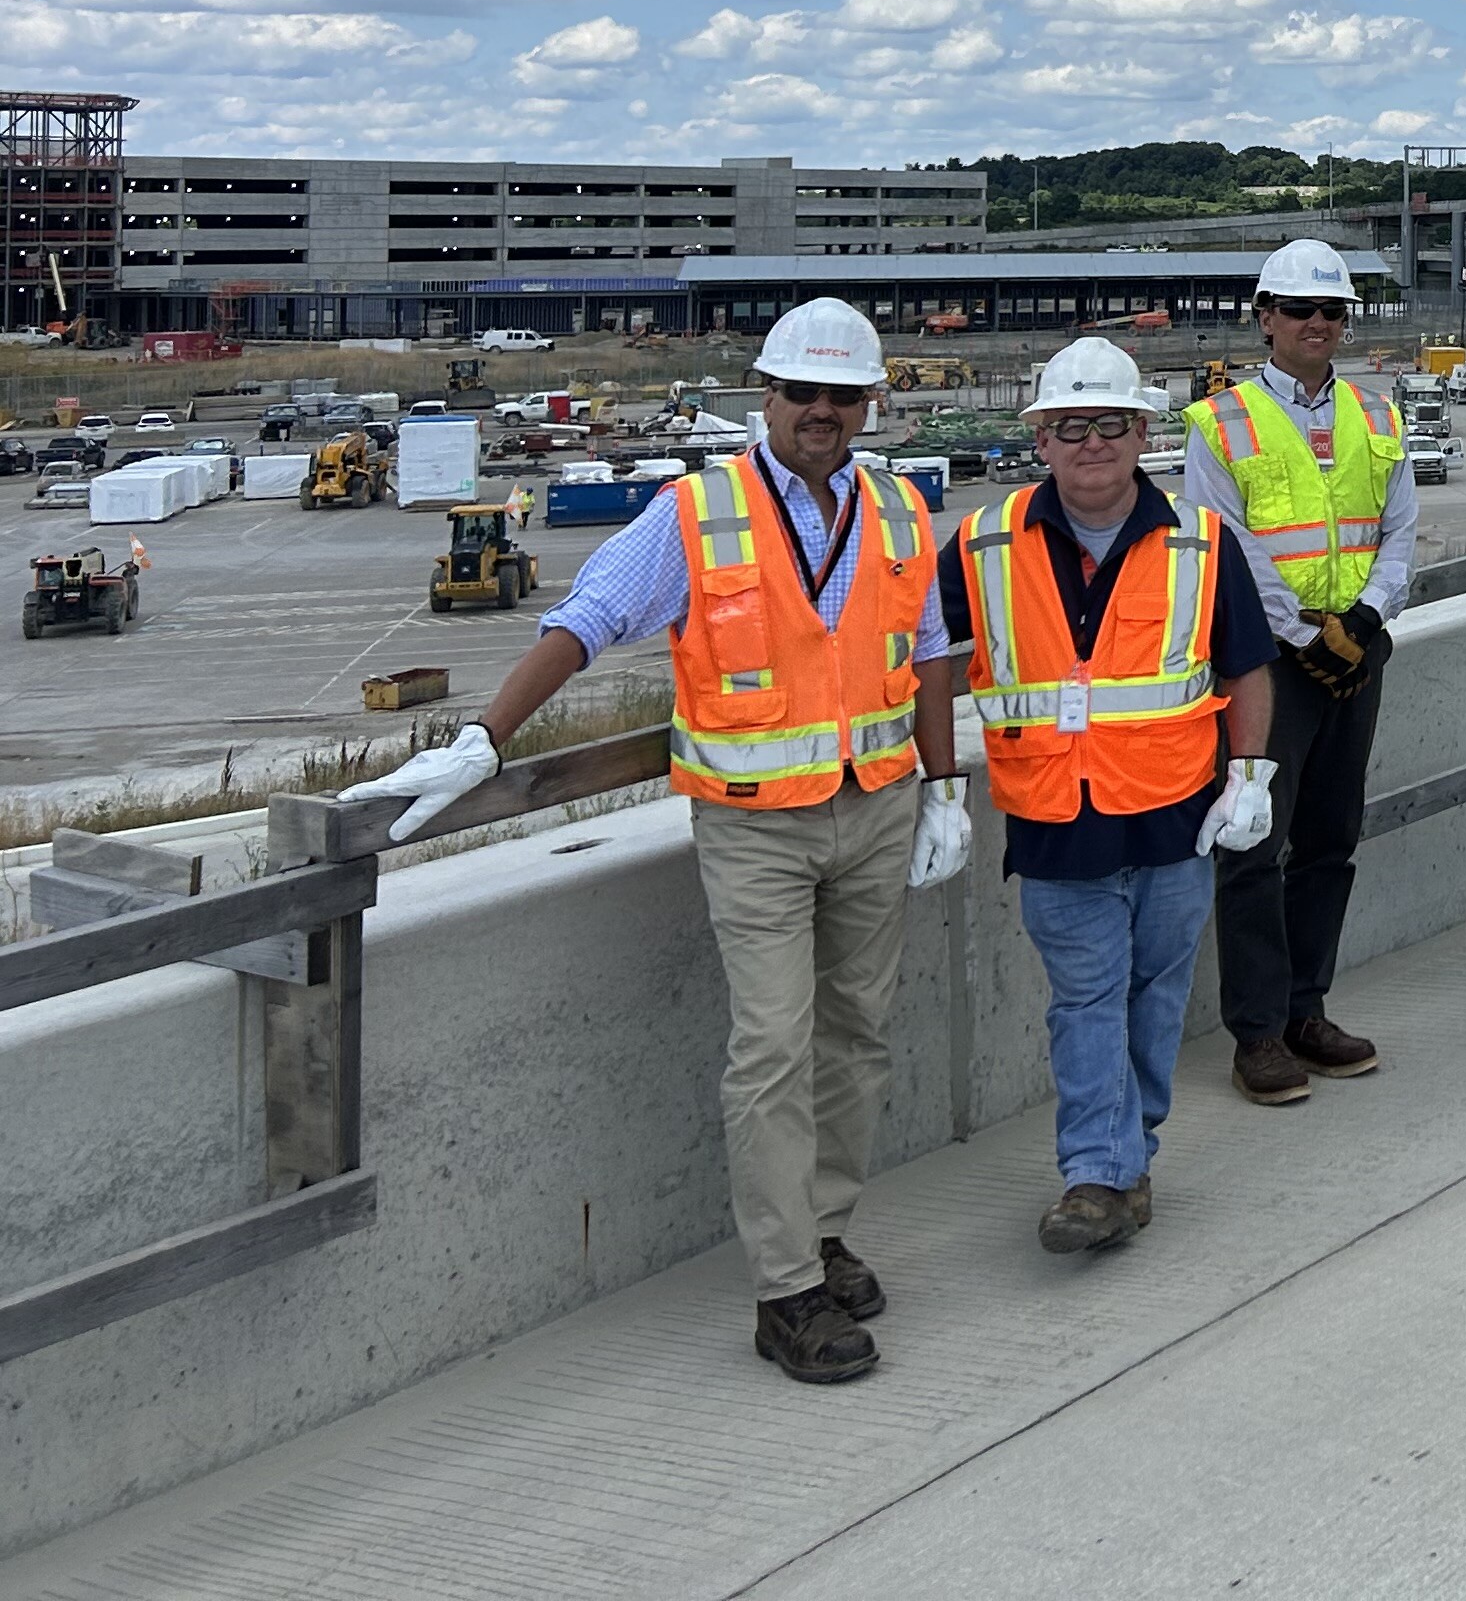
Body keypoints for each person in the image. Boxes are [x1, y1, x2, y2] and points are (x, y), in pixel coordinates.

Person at [345, 297, 960, 1385]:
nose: (820, 412)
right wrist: (485, 741)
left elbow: (931, 655)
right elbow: (587, 620)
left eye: (841, 396)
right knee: (773, 1047)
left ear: (870, 405)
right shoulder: (698, 513)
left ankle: (823, 1230)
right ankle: (786, 1293)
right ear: (764, 398)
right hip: (755, 830)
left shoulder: (902, 511)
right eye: (800, 393)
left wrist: (943, 786)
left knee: (859, 1031)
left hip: (875, 808)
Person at [944, 339, 1279, 1252]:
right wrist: (937, 786)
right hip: (1055, 822)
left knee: (1156, 997)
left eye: (1111, 425)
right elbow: (929, 667)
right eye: (1071, 427)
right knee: (1088, 997)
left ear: (1142, 434)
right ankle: (1095, 1174)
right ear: (1041, 440)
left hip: (1176, 815)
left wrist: (1248, 775)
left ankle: (1130, 1160)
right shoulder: (983, 543)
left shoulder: (1201, 544)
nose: (1092, 443)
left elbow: (1247, 666)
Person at [1178, 238, 1416, 1106]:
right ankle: (1258, 1033)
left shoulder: (1379, 417)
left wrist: (1362, 620)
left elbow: (1398, 532)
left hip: (1355, 652)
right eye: (1300, 310)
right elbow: (1225, 541)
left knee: (1329, 841)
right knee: (1251, 844)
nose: (1318, 324)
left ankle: (1307, 1009)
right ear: (1265, 318)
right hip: (1267, 664)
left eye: (1332, 312)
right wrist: (1305, 635)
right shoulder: (1220, 421)